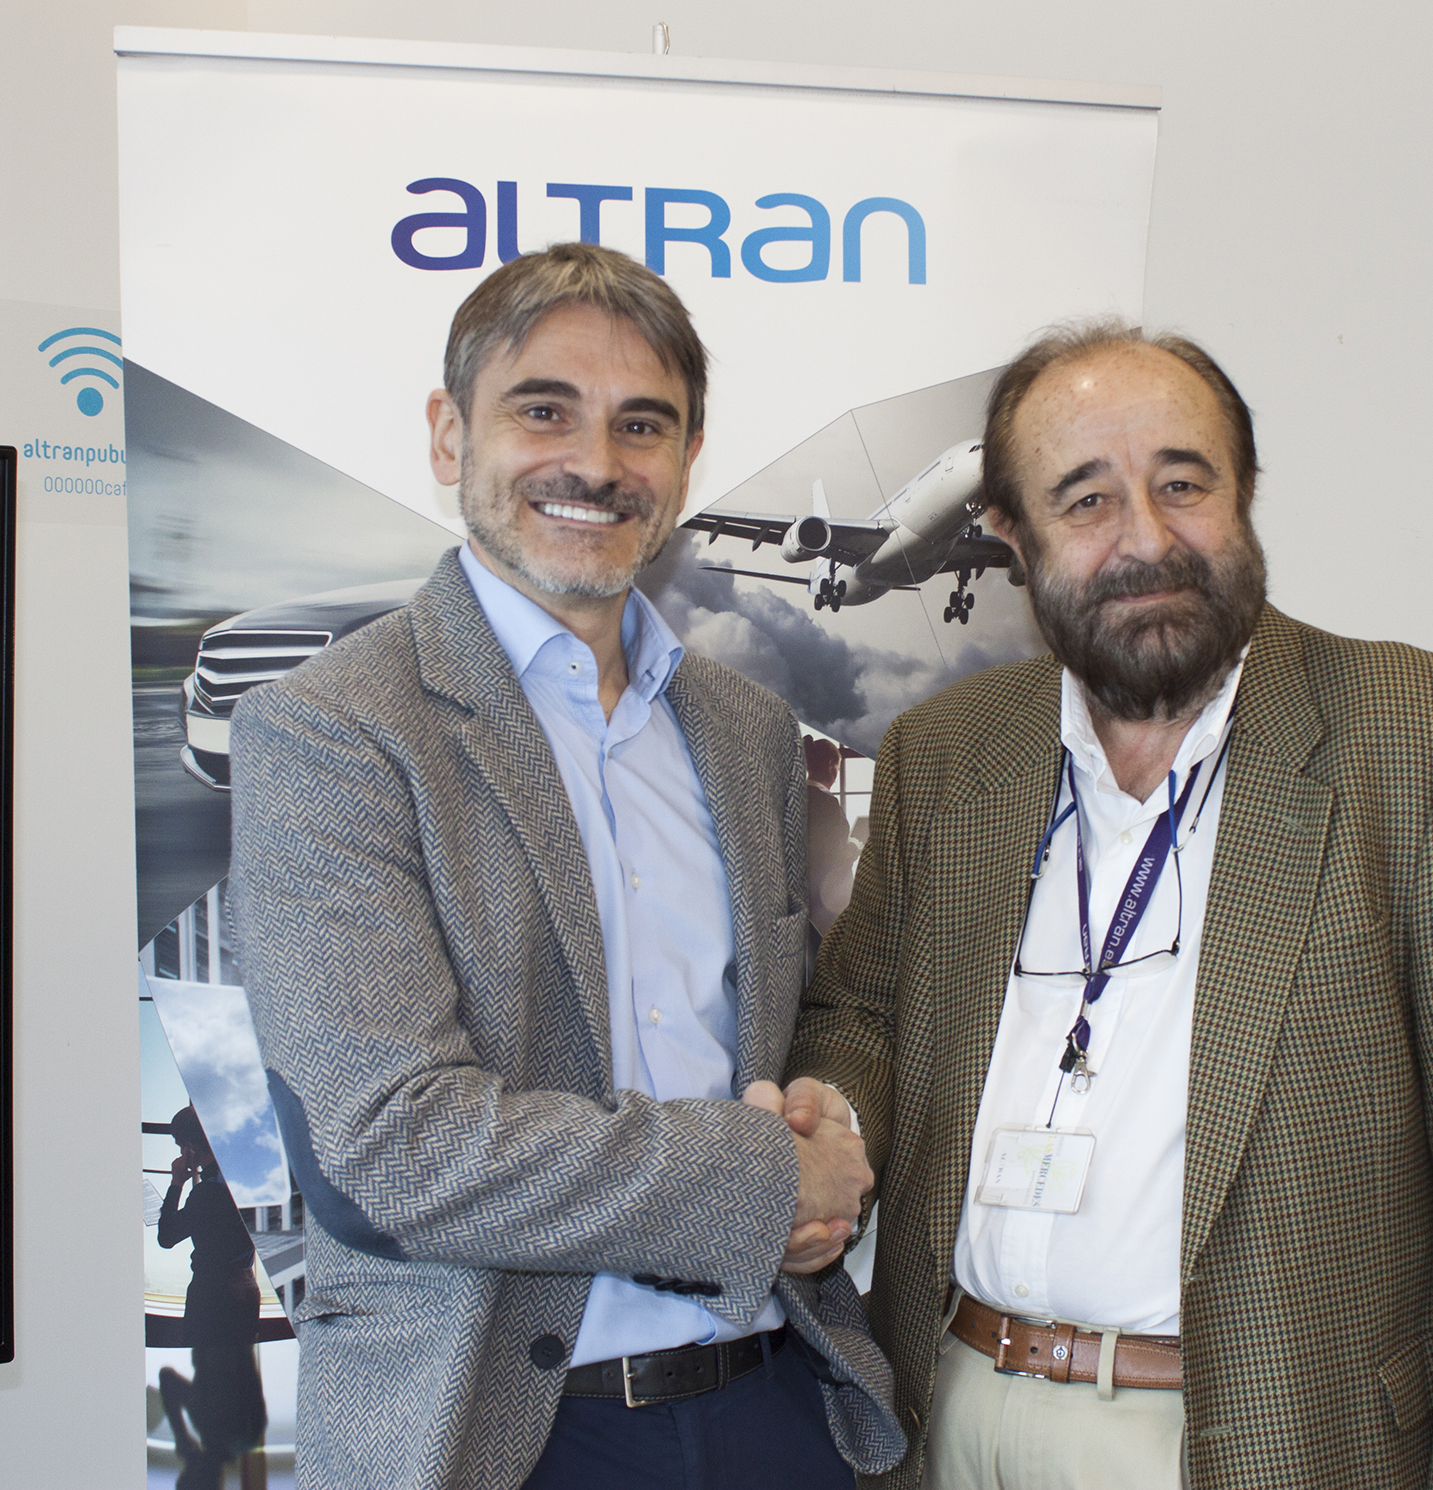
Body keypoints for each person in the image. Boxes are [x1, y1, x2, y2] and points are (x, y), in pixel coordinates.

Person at [783, 320, 1433, 1488]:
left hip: (1262, 1443)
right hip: (952, 1414)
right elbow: (861, 1012)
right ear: (1011, 531)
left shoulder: (1422, 741)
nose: (1148, 537)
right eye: (1087, 499)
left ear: (1245, 491)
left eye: (1184, 482)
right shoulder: (947, 751)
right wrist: (832, 1113)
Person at [231, 242, 898, 1490]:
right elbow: (394, 1145)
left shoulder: (748, 731)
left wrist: (828, 1121)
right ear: (449, 435)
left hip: (774, 1405)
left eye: (641, 424)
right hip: (501, 1434)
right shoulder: (333, 731)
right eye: (544, 410)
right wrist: (767, 1180)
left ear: (687, 461)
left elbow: (793, 1023)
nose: (596, 463)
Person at [155, 1105, 267, 1490]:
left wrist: (177, 1183)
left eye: (179, 1145)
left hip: (212, 1297)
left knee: (218, 1359)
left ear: (190, 1146)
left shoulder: (206, 1193)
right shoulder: (238, 1179)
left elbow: (166, 1235)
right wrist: (185, 1442)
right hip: (241, 1292)